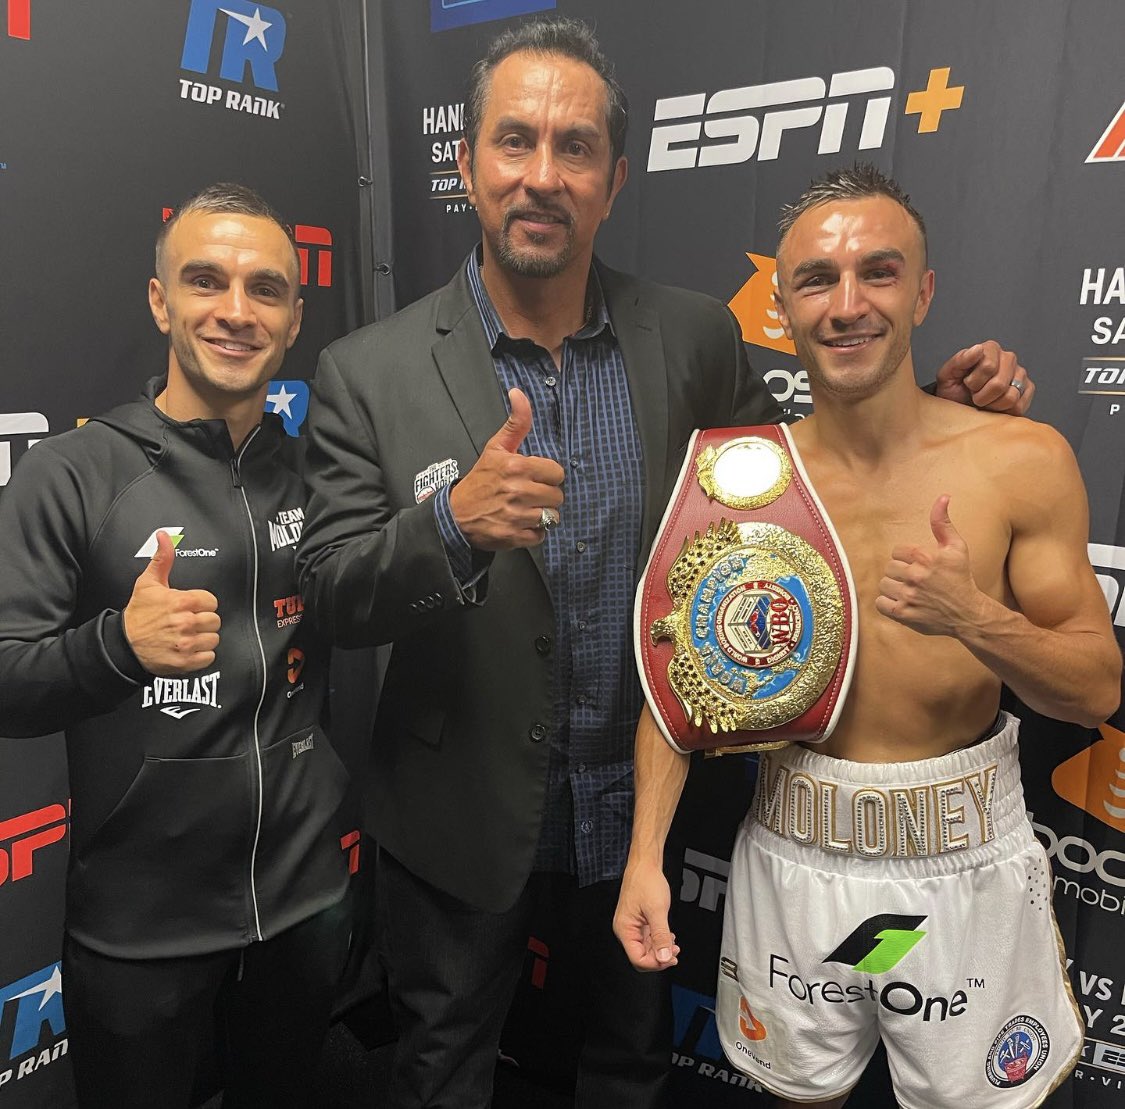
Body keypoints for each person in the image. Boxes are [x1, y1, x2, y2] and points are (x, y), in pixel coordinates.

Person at [297, 19, 1034, 1109]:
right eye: (514, 141)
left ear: (614, 177)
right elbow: (329, 590)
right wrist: (449, 522)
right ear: (467, 164)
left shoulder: (690, 336)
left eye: (575, 147)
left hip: (639, 803)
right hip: (454, 813)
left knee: (629, 1064)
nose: (541, 175)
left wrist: (943, 420)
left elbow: (801, 488)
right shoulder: (366, 369)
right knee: (440, 1068)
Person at [614, 164, 1121, 1109]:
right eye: (816, 279)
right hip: (792, 850)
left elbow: (1094, 688)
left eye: (878, 273)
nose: (847, 305)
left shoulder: (1019, 458)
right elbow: (680, 687)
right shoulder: (742, 479)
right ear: (783, 303)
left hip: (960, 857)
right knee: (796, 1097)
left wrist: (972, 615)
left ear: (922, 290)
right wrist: (646, 854)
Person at [0, 183, 354, 1108]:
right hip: (140, 932)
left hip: (305, 904)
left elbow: (383, 594)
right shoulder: (72, 473)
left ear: (293, 319)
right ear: (161, 301)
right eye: (206, 281)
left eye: (264, 289)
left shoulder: (323, 474)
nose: (235, 311)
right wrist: (117, 644)